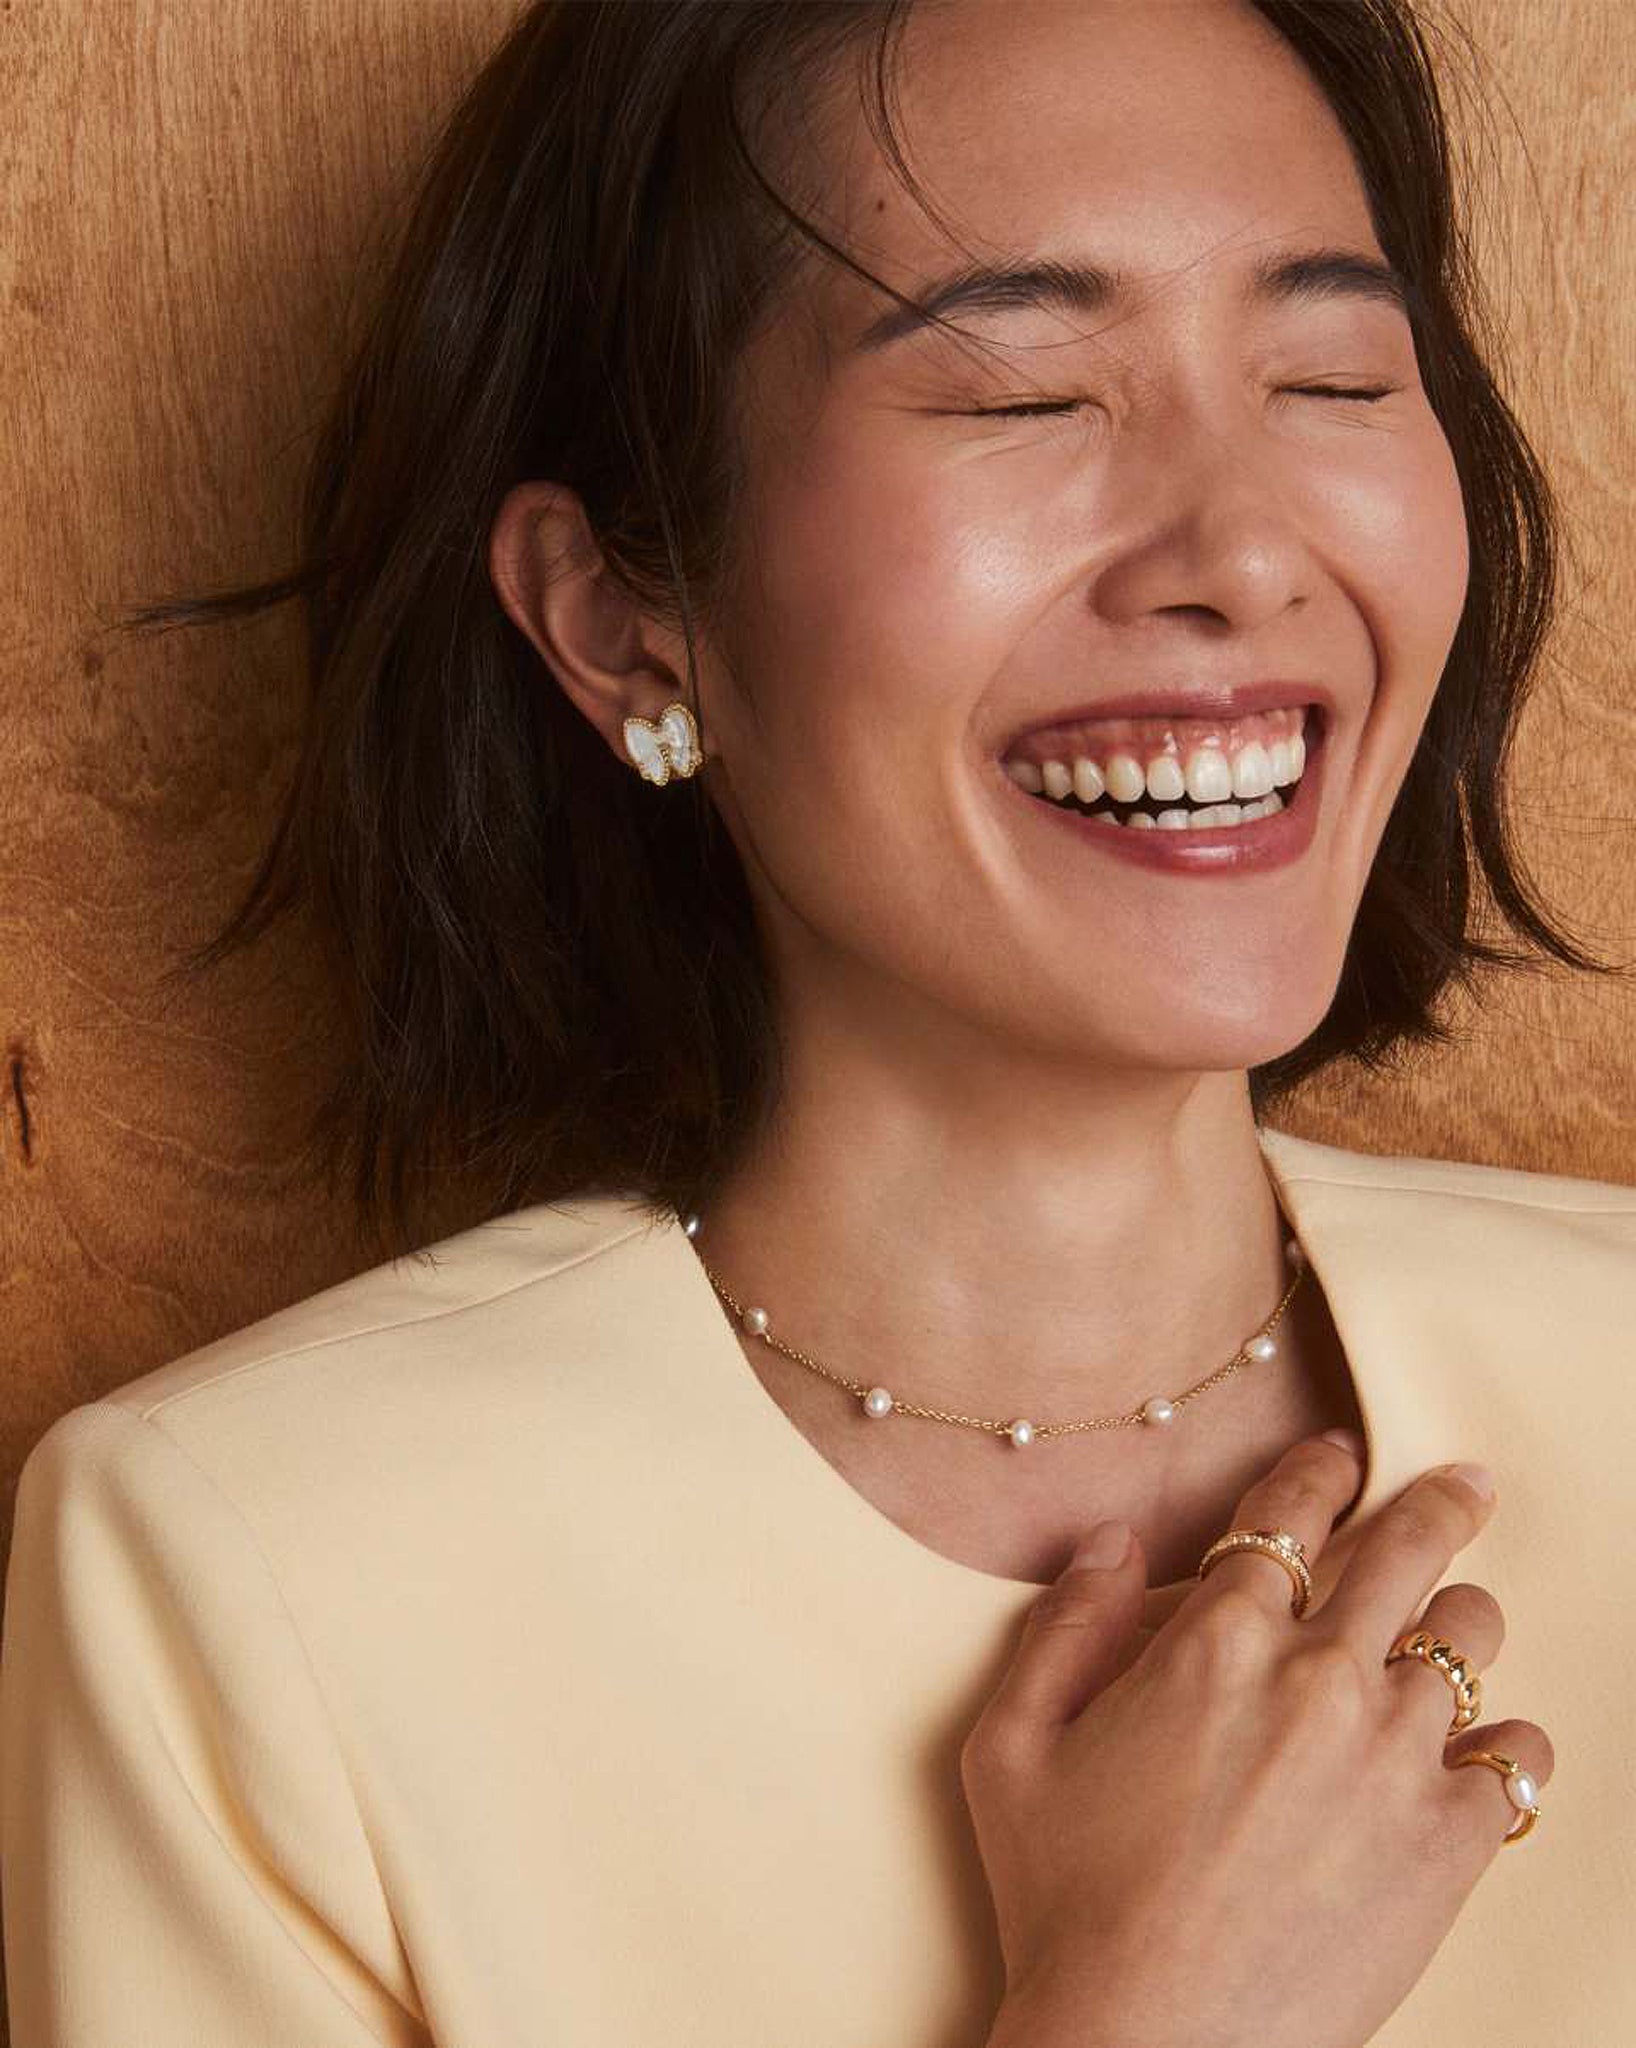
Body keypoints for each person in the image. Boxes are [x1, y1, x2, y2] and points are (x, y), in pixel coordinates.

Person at [2, 1, 1633, 2044]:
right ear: (615, 615)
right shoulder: (239, 1577)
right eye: (1022, 396)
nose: (1240, 550)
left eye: (1328, 372)